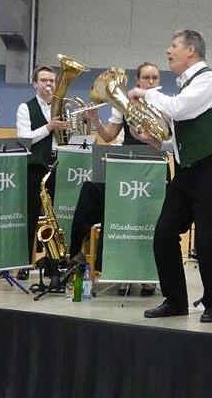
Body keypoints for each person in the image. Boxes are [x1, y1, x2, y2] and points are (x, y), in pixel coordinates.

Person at [129, 29, 212, 323]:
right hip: (188, 169)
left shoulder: (208, 80)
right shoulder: (187, 86)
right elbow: (180, 136)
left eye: (173, 46)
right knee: (164, 233)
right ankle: (175, 300)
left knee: (205, 238)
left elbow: (179, 109)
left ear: (191, 50)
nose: (168, 51)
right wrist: (155, 142)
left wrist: (146, 93)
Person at [70, 62, 162, 296]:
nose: (151, 82)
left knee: (149, 221)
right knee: (117, 211)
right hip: (127, 169)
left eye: (155, 78)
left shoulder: (164, 103)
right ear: (138, 81)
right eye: (146, 78)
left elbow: (166, 142)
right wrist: (96, 120)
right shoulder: (124, 105)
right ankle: (117, 269)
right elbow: (109, 136)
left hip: (154, 169)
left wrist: (150, 139)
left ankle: (149, 277)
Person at [16, 66, 70, 282]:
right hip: (35, 166)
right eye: (44, 80)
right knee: (30, 215)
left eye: (51, 81)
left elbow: (67, 137)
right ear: (35, 84)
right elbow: (24, 138)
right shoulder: (25, 107)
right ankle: (23, 263)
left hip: (58, 163)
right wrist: (49, 127)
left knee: (54, 217)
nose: (49, 84)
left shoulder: (62, 107)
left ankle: (52, 262)